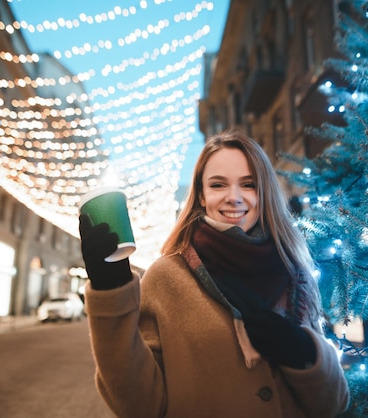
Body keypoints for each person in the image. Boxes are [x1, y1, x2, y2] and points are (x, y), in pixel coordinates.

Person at [79, 129, 349, 417]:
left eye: (248, 184)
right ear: (202, 196)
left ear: (264, 192)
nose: (234, 197)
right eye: (218, 185)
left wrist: (305, 354)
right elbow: (140, 405)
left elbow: (332, 405)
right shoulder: (167, 277)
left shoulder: (295, 273)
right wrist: (111, 290)